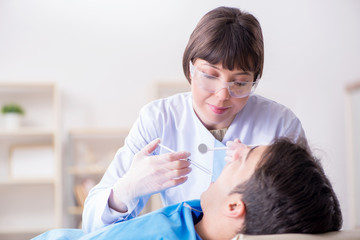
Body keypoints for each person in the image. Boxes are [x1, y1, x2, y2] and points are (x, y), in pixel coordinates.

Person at [83, 6, 308, 232]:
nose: (222, 96)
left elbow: (309, 211)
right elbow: (92, 227)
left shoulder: (281, 125)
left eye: (239, 83)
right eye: (210, 76)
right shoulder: (159, 119)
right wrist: (126, 190)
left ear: (254, 80)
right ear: (190, 69)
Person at [33, 138, 342, 239]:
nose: (233, 149)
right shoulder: (200, 217)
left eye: (243, 157)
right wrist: (124, 191)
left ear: (234, 207)